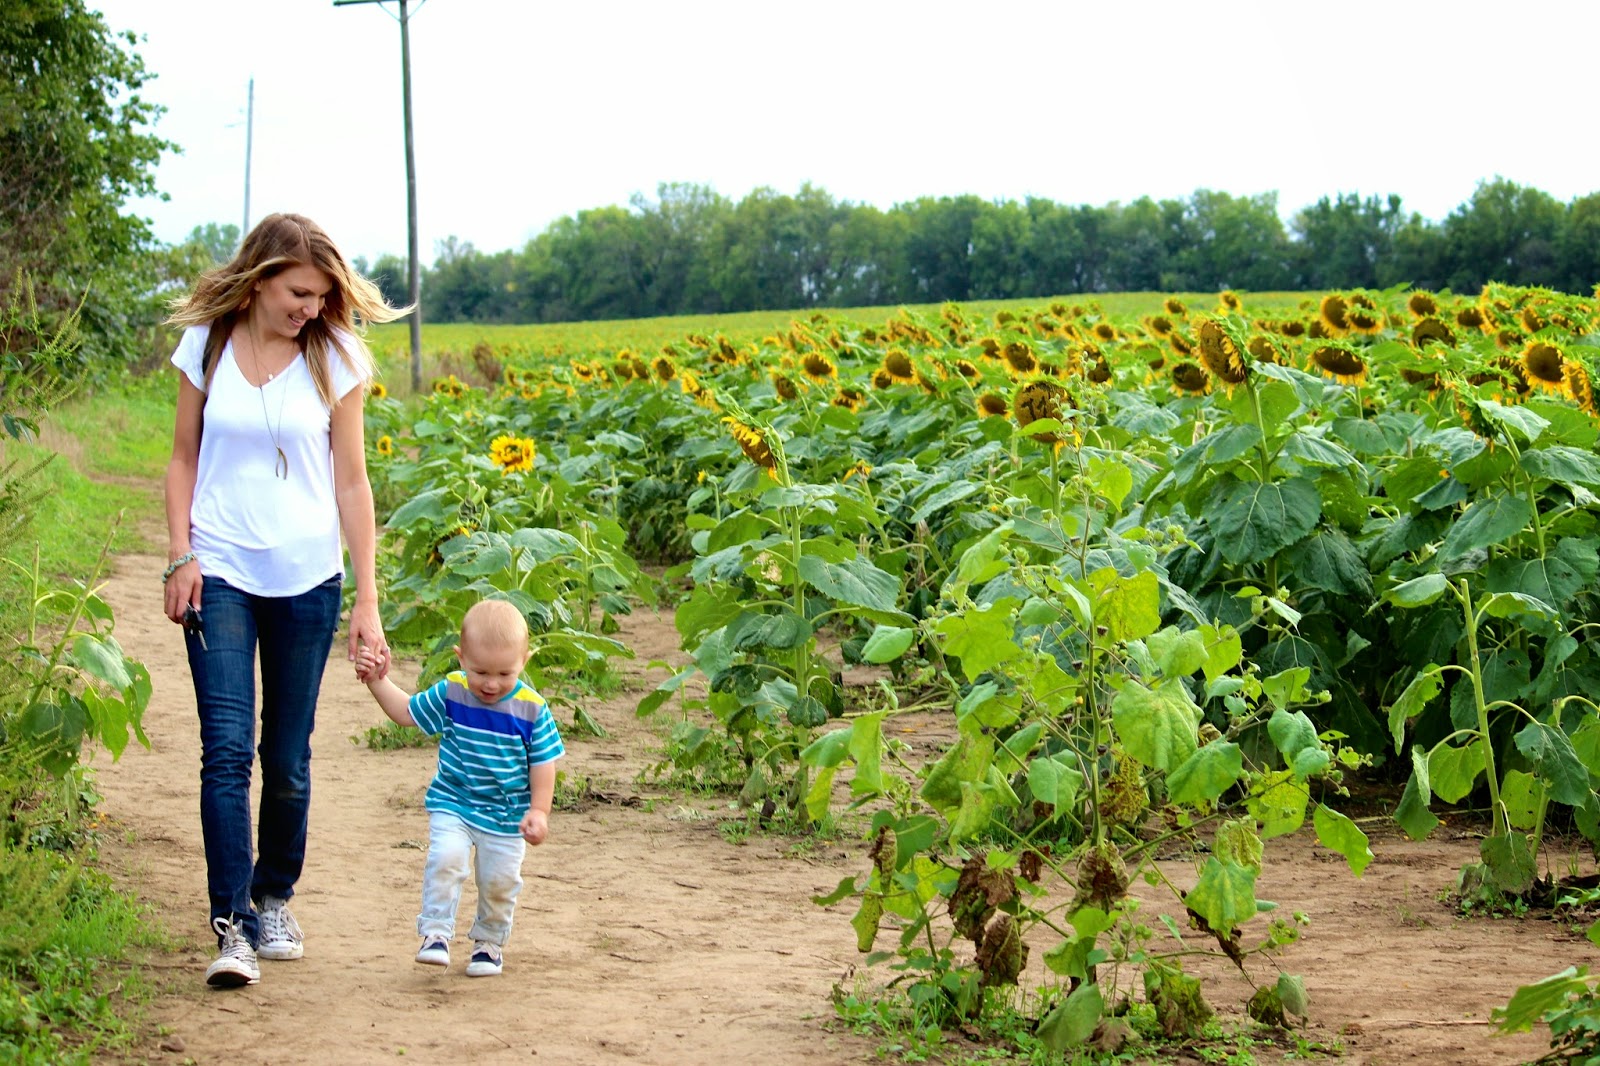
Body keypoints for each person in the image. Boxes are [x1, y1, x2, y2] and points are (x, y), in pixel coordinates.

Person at [162, 212, 406, 988]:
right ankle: (231, 923)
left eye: (322, 295)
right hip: (220, 569)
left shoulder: (337, 354)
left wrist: (367, 599)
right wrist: (181, 554)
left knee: (288, 758)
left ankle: (274, 896)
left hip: (308, 578)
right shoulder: (207, 342)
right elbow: (180, 456)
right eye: (300, 292)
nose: (310, 307)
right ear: (262, 277)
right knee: (226, 750)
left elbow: (352, 481)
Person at [354, 599, 562, 977]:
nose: (491, 683)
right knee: (446, 860)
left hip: (506, 814)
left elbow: (544, 763)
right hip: (454, 802)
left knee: (500, 881)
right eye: (480, 671)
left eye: (505, 673)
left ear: (525, 661)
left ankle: (489, 942)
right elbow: (405, 713)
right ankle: (435, 933)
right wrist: (377, 680)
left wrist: (539, 811)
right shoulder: (452, 693)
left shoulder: (532, 709)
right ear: (460, 657)